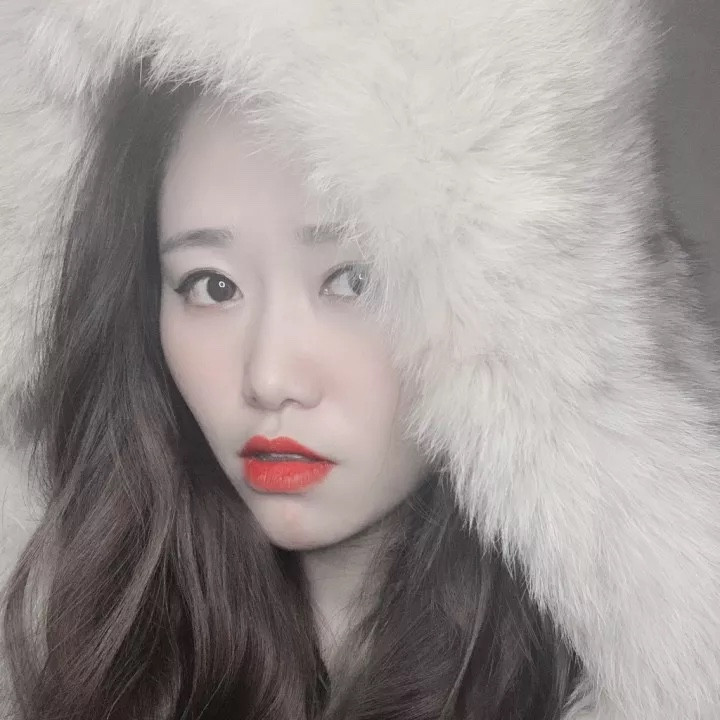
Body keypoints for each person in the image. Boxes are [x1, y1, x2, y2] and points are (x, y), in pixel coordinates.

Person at [0, 2, 718, 720]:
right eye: (212, 287)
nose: (270, 378)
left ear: (520, 316)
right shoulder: (70, 656)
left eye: (353, 280)